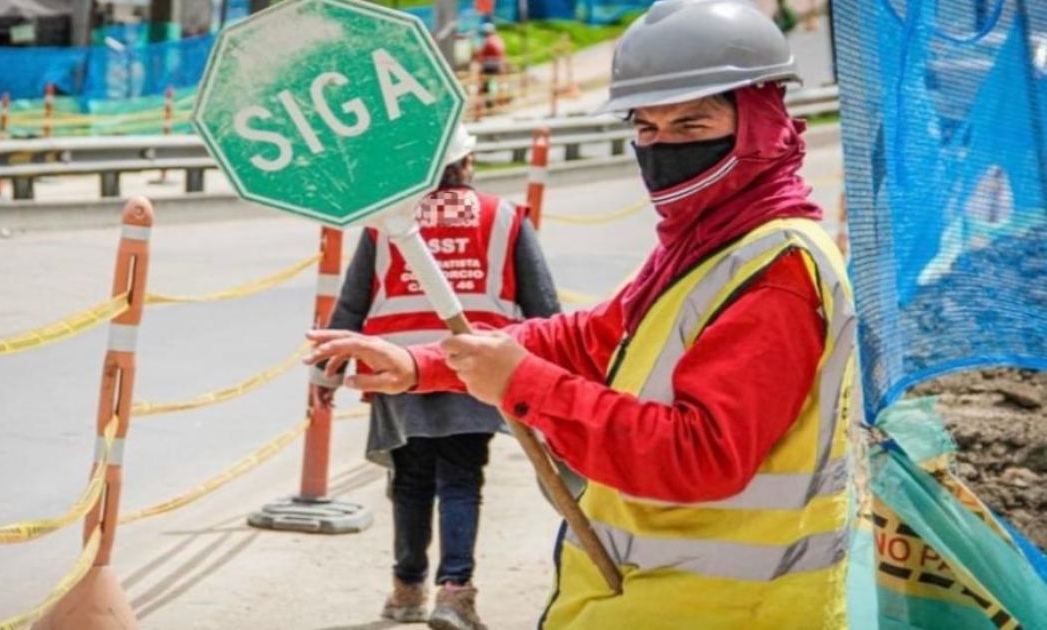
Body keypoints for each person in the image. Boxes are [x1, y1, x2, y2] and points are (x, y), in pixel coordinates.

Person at [308, 1, 859, 627]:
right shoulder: (710, 244)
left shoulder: (774, 272)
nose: (663, 148)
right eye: (647, 129)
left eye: (690, 125)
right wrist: (423, 364)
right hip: (652, 591)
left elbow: (701, 456)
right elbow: (593, 337)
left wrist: (523, 385)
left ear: (759, 124)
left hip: (725, 609)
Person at [312, 125, 560, 630]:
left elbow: (353, 301)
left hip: (394, 365)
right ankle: (454, 593)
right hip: (475, 365)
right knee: (462, 479)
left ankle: (407, 591)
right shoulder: (504, 217)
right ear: (468, 163)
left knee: (409, 480)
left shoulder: (386, 222)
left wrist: (326, 372)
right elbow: (544, 307)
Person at [474, 23, 506, 111]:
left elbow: (481, 54)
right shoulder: (498, 39)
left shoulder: (488, 41)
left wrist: (478, 60)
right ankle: (496, 104)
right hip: (498, 65)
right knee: (495, 85)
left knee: (485, 85)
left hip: (489, 66)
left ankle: (488, 105)